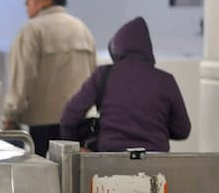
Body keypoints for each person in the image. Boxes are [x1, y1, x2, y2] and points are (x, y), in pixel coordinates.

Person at [60, 16, 191, 152]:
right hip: (155, 161)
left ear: (117, 48)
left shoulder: (104, 75)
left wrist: (77, 147)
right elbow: (182, 130)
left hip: (109, 161)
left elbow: (70, 115)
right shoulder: (166, 80)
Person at [1, 0, 96, 156]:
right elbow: (93, 78)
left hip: (42, 127)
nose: (26, 3)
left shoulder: (32, 30)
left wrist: (11, 115)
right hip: (78, 124)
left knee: (45, 178)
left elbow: (23, 78)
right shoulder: (82, 29)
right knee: (73, 177)